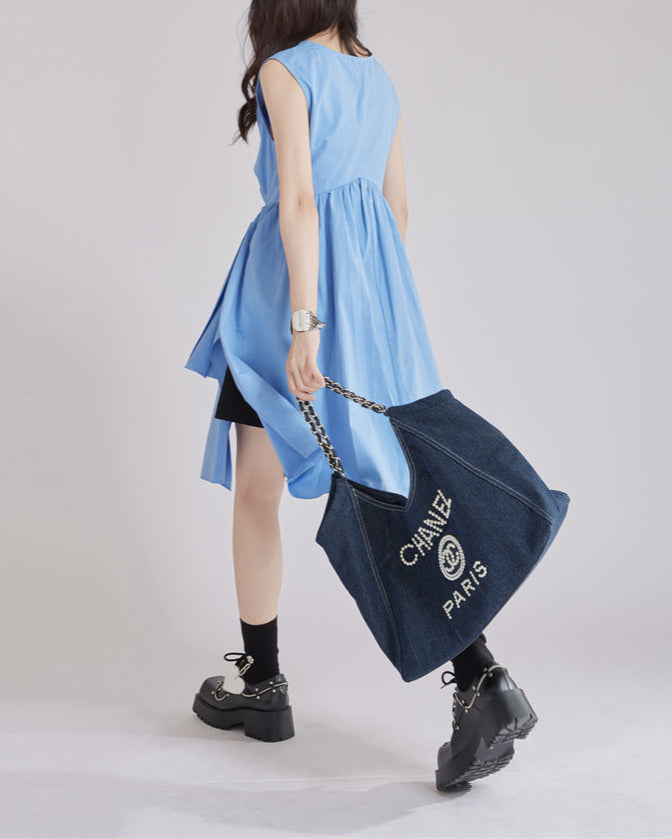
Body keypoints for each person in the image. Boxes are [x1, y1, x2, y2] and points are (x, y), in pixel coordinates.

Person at [185, 1, 538, 788]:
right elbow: (397, 206)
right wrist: (365, 309)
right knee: (389, 487)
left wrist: (306, 321)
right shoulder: (376, 77)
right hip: (373, 303)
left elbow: (298, 201)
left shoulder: (286, 72)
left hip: (285, 301)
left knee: (258, 490)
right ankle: (481, 675)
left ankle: (264, 682)